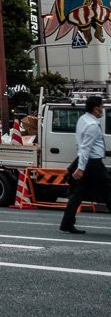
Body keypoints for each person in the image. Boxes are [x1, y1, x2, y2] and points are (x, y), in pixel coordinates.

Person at [60, 96, 110, 234]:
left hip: (87, 162)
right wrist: (80, 168)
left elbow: (80, 146)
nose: (103, 109)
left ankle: (67, 224)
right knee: (108, 192)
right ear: (96, 109)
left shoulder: (83, 119)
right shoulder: (92, 125)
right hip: (93, 163)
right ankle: (67, 224)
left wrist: (81, 166)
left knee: (77, 194)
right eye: (102, 106)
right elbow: (85, 148)